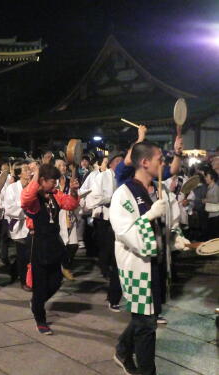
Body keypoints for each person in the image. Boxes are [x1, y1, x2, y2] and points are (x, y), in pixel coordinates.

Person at [110, 141, 190, 375]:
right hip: (136, 267)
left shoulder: (160, 190)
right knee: (147, 325)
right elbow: (127, 233)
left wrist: (175, 238)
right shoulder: (123, 194)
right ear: (145, 162)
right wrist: (149, 217)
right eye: (159, 159)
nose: (163, 164)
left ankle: (123, 350)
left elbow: (169, 224)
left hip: (156, 265)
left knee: (146, 316)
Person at [21, 163, 79, 334]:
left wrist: (74, 191)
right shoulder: (33, 198)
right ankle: (40, 319)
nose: (55, 183)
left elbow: (70, 204)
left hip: (55, 243)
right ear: (42, 180)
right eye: (52, 180)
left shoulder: (55, 195)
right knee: (40, 285)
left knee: (56, 281)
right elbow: (25, 198)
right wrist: (37, 173)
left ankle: (36, 302)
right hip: (39, 245)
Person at [86, 151, 124, 312]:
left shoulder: (124, 178)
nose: (123, 164)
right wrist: (113, 198)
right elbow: (94, 198)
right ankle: (108, 278)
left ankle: (114, 291)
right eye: (120, 162)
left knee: (115, 257)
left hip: (119, 221)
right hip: (104, 220)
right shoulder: (102, 177)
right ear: (113, 163)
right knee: (108, 252)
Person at [2, 161, 32, 290]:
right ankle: (23, 281)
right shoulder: (12, 188)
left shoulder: (33, 186)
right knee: (23, 254)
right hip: (19, 225)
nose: (29, 172)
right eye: (25, 170)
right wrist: (25, 209)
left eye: (28, 169)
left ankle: (15, 271)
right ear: (19, 174)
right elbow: (9, 209)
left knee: (30, 254)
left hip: (33, 225)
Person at [55, 158, 79, 281]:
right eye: (60, 166)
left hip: (69, 213)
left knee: (73, 244)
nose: (63, 168)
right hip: (57, 214)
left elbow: (76, 196)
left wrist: (75, 192)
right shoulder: (53, 182)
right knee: (60, 244)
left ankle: (65, 266)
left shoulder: (70, 181)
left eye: (64, 165)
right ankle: (61, 268)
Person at [203, 169, 219, 239]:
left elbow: (216, 200)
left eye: (207, 177)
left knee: (214, 235)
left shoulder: (216, 187)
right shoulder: (209, 187)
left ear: (212, 178)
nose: (205, 178)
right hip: (211, 214)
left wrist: (205, 200)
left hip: (215, 215)